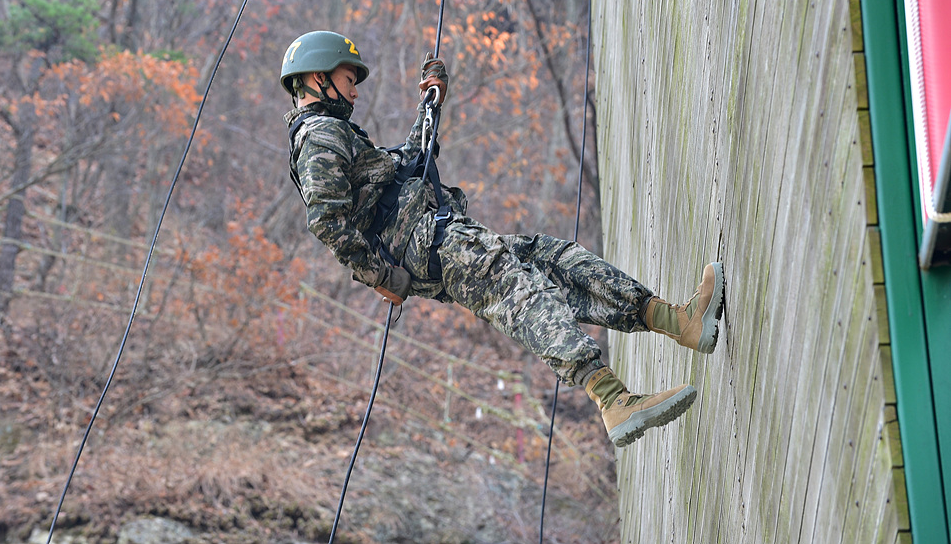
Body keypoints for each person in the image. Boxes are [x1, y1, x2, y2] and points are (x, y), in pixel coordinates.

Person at [282, 30, 725, 447]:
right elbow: (325, 220)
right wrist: (380, 275)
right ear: (318, 78)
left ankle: (679, 321)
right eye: (347, 79)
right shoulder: (319, 136)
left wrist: (430, 104)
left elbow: (408, 165)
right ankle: (612, 399)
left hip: (439, 237)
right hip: (433, 245)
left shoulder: (336, 133)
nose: (355, 90)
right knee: (522, 293)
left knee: (553, 260)